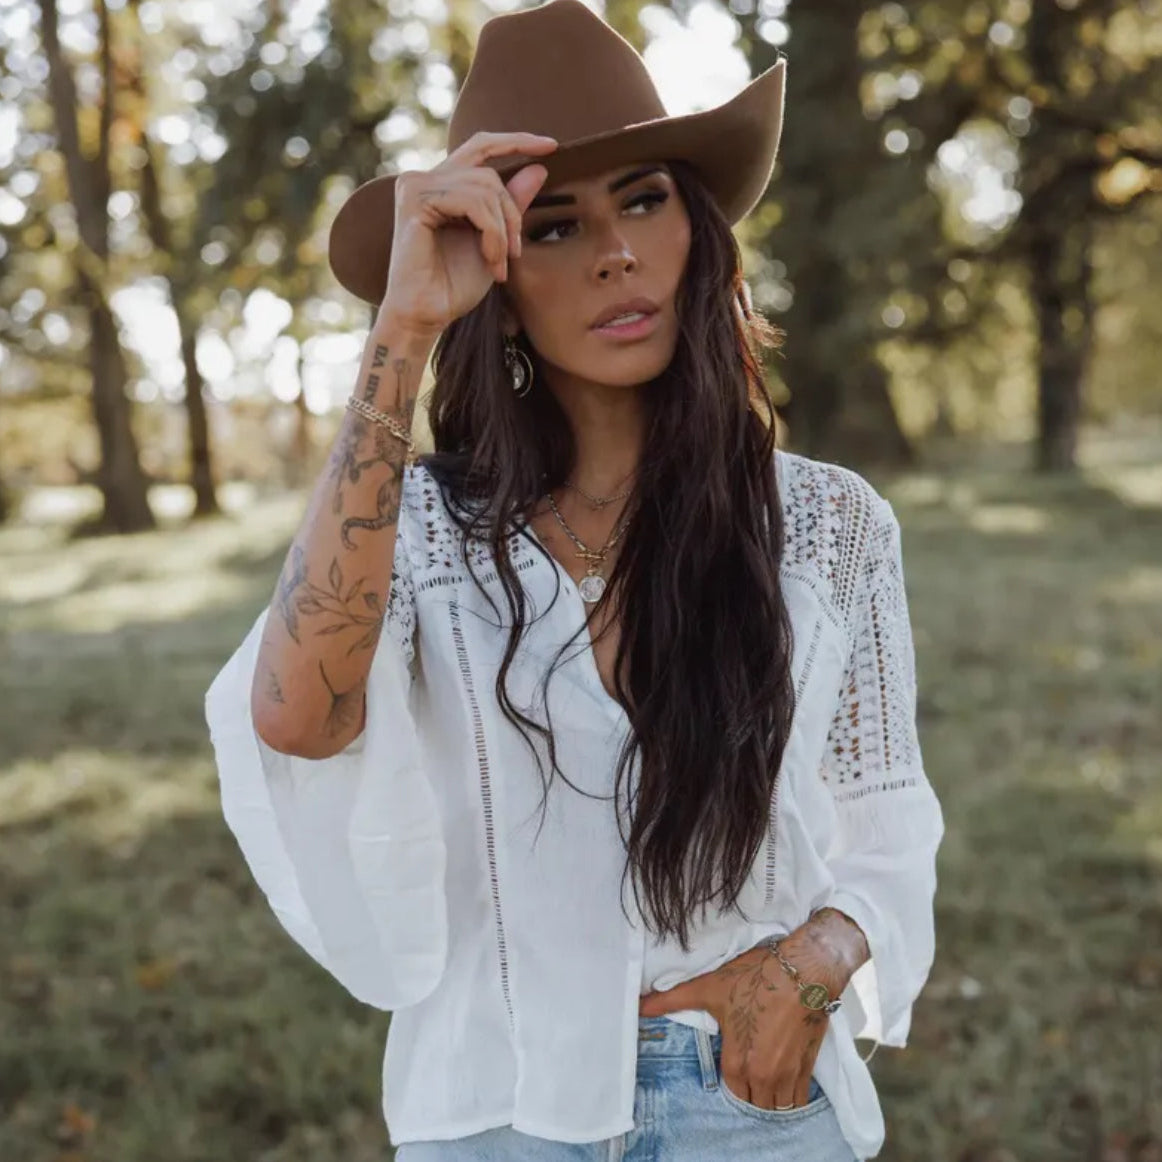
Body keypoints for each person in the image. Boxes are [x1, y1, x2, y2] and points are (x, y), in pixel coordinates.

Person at [203, 2, 945, 1159]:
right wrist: (399, 330)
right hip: (493, 1111)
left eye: (643, 201)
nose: (613, 253)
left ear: (696, 230)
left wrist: (817, 961)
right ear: (493, 275)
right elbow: (296, 718)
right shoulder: (421, 533)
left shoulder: (827, 524)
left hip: (748, 1103)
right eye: (550, 228)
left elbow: (886, 827)